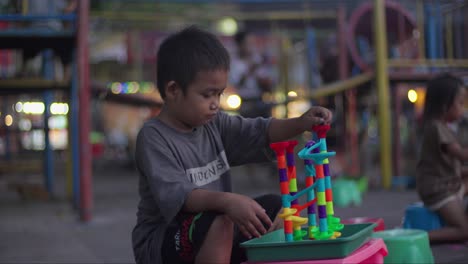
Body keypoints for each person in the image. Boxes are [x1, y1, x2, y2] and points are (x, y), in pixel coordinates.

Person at [131, 26, 333, 264]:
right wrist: (228, 200)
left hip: (216, 227)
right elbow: (181, 197)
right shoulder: (154, 137)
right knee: (221, 220)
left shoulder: (214, 124)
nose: (216, 103)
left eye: (220, 94)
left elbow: (262, 131)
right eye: (207, 95)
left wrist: (301, 123)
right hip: (164, 242)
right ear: (173, 90)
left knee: (276, 207)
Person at [416, 73, 468, 243]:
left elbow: (454, 164)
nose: (463, 108)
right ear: (445, 105)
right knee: (464, 230)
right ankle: (416, 237)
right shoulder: (436, 128)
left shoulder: (443, 127)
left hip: (447, 182)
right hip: (439, 190)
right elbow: (461, 155)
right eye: (460, 103)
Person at [230, 30, 274, 118]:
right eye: (247, 43)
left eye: (252, 43)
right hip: (246, 102)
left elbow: (267, 82)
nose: (251, 47)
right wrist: (251, 70)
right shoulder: (234, 63)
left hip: (260, 100)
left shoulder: (257, 59)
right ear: (239, 45)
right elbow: (237, 84)